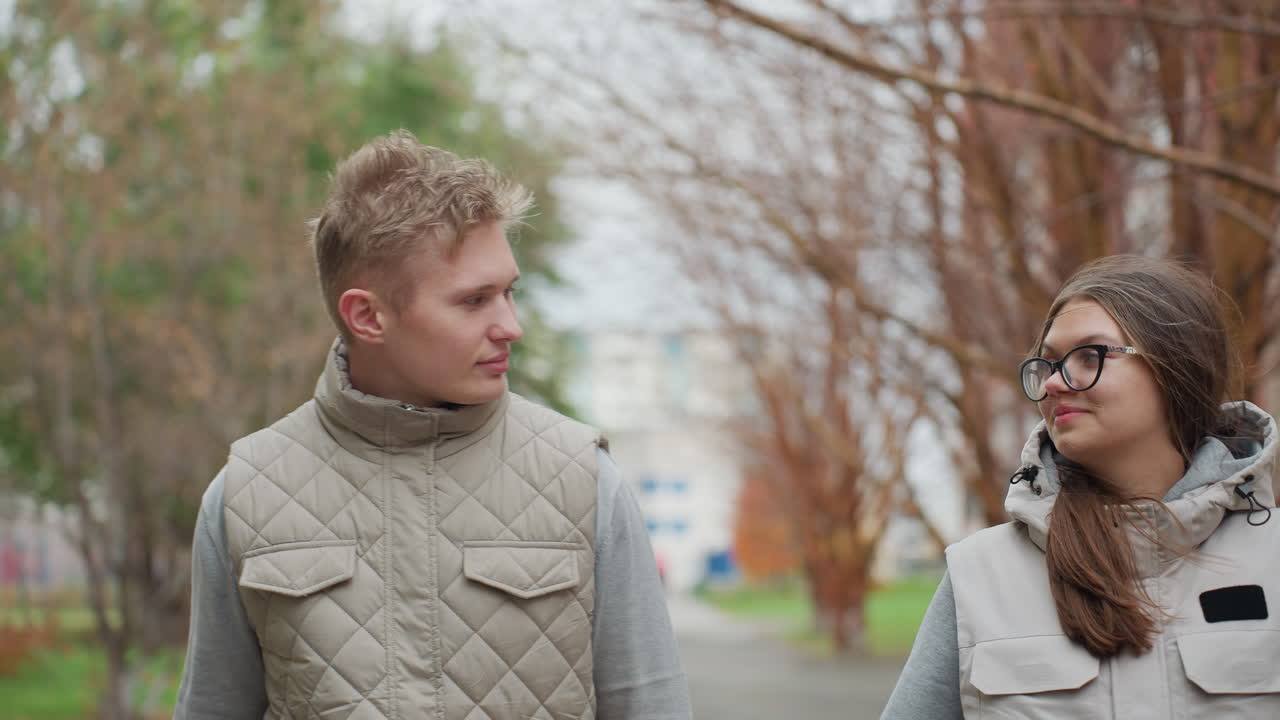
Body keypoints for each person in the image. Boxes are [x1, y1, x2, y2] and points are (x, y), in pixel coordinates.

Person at [173, 131, 692, 720]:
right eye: (475, 301)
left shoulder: (585, 482)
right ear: (367, 315)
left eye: (508, 293)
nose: (510, 326)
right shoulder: (247, 494)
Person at [881, 254, 1280, 718]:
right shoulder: (979, 575)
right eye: (1048, 364)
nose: (1053, 383)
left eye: (1089, 356)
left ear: (1176, 367)